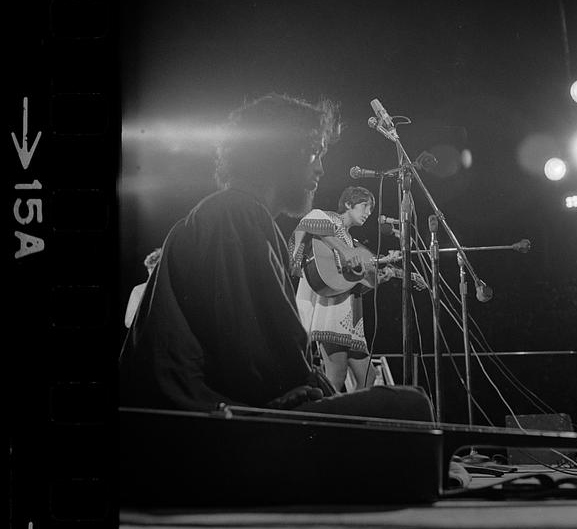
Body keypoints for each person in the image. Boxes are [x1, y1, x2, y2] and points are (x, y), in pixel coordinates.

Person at [119, 93, 433, 423]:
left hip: (204, 409)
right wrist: (302, 384)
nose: (321, 168)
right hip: (206, 418)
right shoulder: (237, 213)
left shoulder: (230, 212)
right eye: (315, 153)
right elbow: (254, 356)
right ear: (283, 155)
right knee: (408, 406)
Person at [289, 186, 391, 392]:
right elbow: (310, 219)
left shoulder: (353, 244)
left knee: (368, 377)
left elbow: (353, 285)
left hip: (350, 312)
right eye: (365, 206)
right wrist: (343, 250)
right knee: (337, 373)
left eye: (371, 210)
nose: (368, 213)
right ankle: (328, 421)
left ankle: (354, 422)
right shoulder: (328, 219)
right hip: (331, 308)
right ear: (347, 204)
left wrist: (379, 278)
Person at [123, 247, 162, 329]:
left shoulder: (167, 290)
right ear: (148, 269)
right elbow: (128, 322)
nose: (154, 274)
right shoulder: (138, 290)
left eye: (157, 270)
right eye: (151, 268)